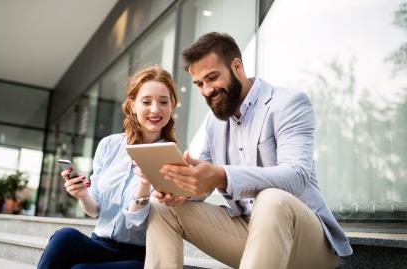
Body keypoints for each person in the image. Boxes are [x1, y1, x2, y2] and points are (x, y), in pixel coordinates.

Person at [144, 32, 353, 269]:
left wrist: (222, 176)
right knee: (161, 207)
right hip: (248, 234)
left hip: (307, 244)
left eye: (212, 78)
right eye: (199, 84)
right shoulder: (215, 123)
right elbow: (203, 175)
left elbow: (297, 175)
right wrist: (181, 189)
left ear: (237, 66)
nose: (206, 90)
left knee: (271, 198)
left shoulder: (287, 103)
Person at [37, 65, 178, 269]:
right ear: (132, 105)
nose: (155, 109)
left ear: (172, 104)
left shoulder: (170, 157)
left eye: (163, 102)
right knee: (63, 237)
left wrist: (145, 185)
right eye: (146, 102)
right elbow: (94, 211)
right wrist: (82, 194)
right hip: (100, 243)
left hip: (140, 255)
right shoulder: (109, 145)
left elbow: (135, 223)